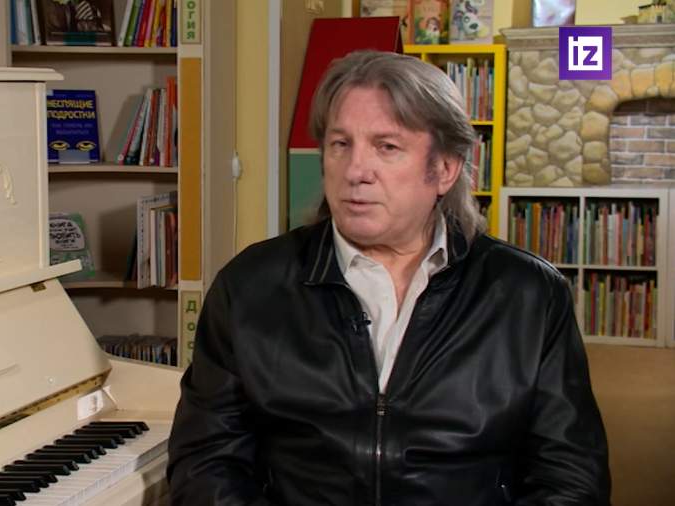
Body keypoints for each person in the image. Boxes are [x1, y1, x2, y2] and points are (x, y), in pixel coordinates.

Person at [166, 50, 610, 505]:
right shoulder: (249, 287)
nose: (355, 171)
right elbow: (204, 463)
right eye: (340, 144)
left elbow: (571, 479)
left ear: (445, 168)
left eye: (387, 147)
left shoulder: (529, 295)